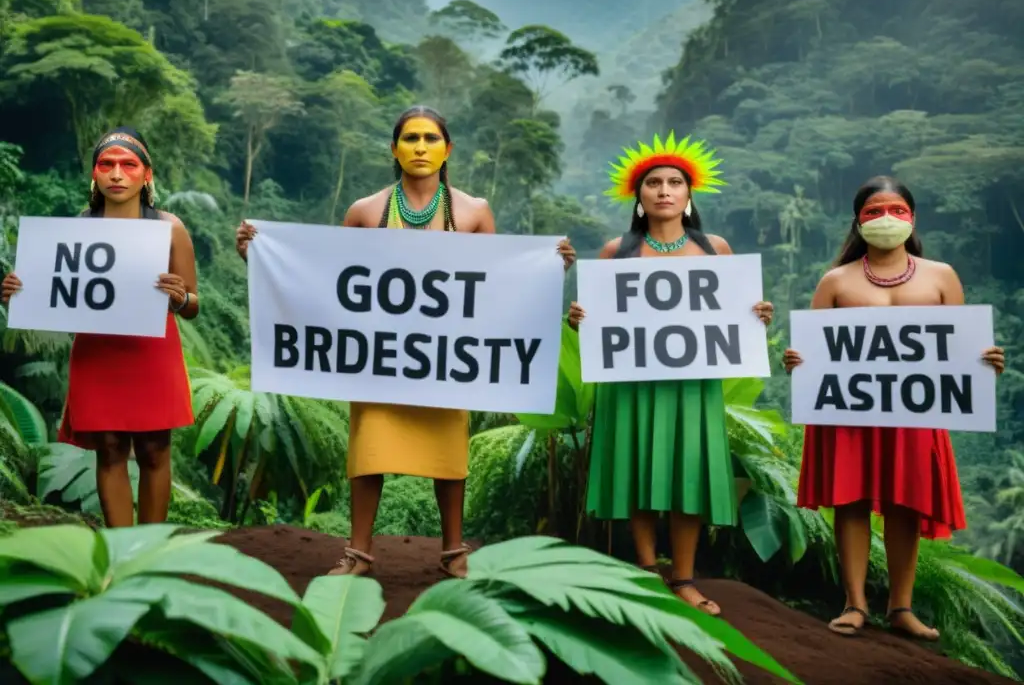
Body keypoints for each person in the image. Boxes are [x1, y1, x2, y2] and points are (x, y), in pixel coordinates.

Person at [236, 105, 575, 578]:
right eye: (410, 138)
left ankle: (453, 551)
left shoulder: (474, 212)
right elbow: (327, 278)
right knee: (370, 451)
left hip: (444, 359)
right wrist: (262, 254)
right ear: (394, 148)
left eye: (431, 139)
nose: (420, 147)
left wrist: (546, 270)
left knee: (448, 456)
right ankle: (358, 552)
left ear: (447, 149)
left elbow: (497, 284)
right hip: (380, 358)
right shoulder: (365, 210)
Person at [784, 175, 1005, 641]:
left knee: (907, 502)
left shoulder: (941, 276)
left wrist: (985, 363)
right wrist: (796, 360)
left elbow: (961, 348)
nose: (886, 220)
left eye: (897, 211)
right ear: (857, 220)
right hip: (848, 412)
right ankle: (855, 604)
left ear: (912, 217)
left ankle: (900, 607)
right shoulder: (835, 281)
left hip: (915, 411)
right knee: (852, 501)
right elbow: (812, 350)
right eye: (874, 211)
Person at [567, 132, 773, 616]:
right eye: (654, 183)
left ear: (688, 194)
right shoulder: (617, 251)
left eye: (674, 182)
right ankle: (645, 570)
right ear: (638, 197)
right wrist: (581, 318)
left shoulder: (714, 248)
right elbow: (598, 318)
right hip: (630, 382)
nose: (664, 190)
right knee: (637, 469)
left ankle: (683, 577)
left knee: (687, 472)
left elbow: (735, 311)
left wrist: (756, 313)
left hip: (693, 383)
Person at [1, 127, 198, 528]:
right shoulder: (78, 227)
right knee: (108, 448)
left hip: (152, 352)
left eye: (128, 165)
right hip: (98, 350)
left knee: (154, 449)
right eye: (106, 165)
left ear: (147, 174)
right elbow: (60, 289)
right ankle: (121, 548)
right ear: (95, 173)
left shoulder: (169, 227)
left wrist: (179, 297)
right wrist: (20, 291)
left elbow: (193, 305)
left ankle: (151, 547)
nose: (116, 174)